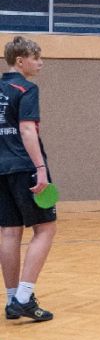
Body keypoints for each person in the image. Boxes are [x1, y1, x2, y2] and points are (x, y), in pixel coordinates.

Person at [1, 36, 56, 321]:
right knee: (45, 228)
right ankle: (23, 298)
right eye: (36, 58)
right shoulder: (27, 88)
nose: (41, 62)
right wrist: (41, 168)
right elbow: (26, 130)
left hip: (1, 169)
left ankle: (12, 299)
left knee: (9, 232)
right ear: (20, 61)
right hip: (25, 167)